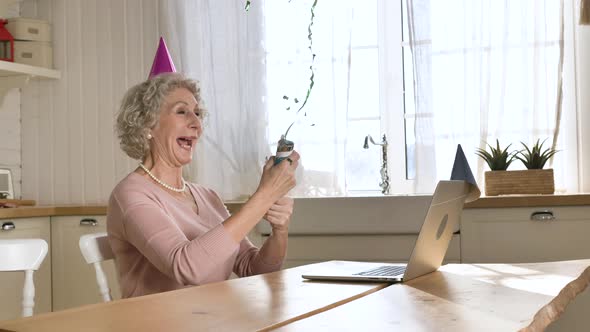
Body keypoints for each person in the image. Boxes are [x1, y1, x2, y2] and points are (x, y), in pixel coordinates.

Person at [107, 71, 299, 298]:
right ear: (148, 125)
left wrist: (280, 230)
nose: (196, 123)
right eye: (182, 111)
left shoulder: (207, 196)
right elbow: (187, 268)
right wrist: (265, 196)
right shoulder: (130, 194)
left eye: (197, 113)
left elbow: (255, 270)